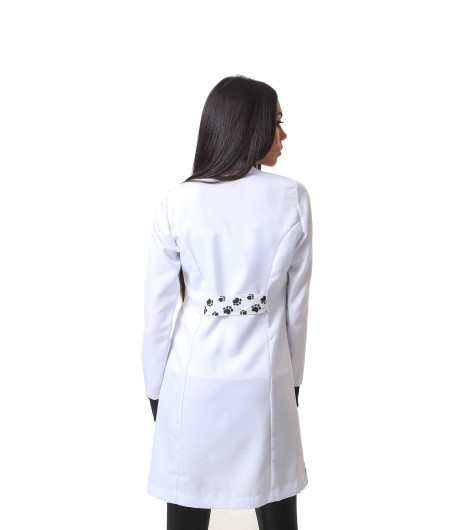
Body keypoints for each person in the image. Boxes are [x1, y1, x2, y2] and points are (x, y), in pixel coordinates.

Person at [141, 75, 313, 530]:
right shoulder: (293, 198)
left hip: (191, 382)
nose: (284, 134)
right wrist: (293, 383)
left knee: (186, 508)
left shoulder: (176, 203)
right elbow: (296, 309)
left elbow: (157, 314)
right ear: (250, 125)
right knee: (277, 510)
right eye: (277, 122)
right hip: (266, 380)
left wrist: (155, 390)